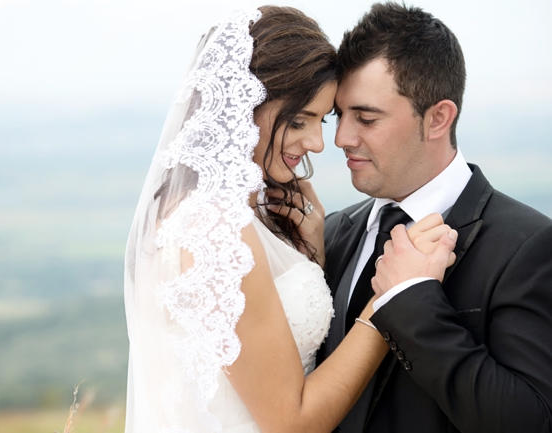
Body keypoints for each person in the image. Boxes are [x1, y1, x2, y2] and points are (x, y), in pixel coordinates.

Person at [123, 6, 456, 433]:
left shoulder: (229, 213)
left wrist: (309, 255)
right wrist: (390, 299)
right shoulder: (213, 226)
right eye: (299, 120)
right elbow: (290, 422)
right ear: (246, 108)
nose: (318, 143)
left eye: (322, 120)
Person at [317, 3, 552, 433]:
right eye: (340, 115)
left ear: (438, 118)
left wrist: (411, 300)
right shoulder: (330, 233)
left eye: (366, 118)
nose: (341, 138)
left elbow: (531, 420)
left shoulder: (529, 246)